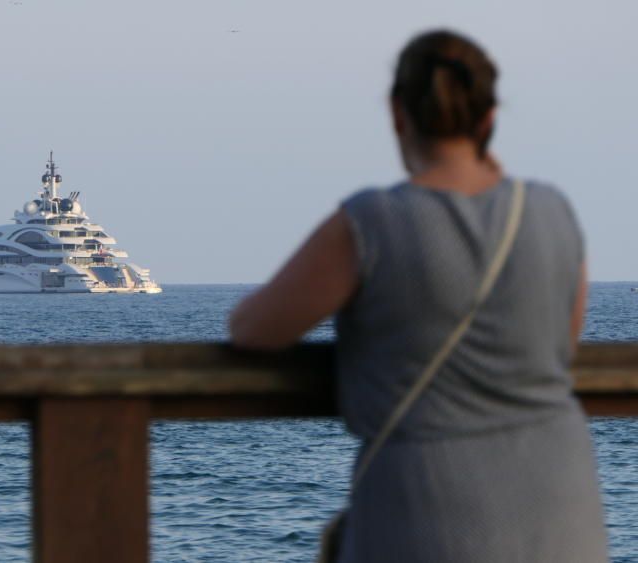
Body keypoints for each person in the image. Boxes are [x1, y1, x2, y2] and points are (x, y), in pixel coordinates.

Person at [228, 29, 607, 562]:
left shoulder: (371, 222)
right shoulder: (553, 212)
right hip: (561, 506)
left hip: (429, 508)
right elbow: (562, 343)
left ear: (397, 114)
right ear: (490, 118)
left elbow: (253, 329)